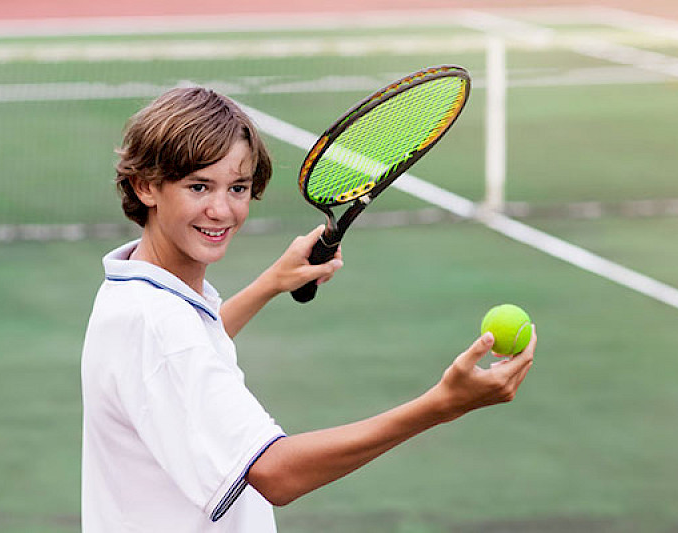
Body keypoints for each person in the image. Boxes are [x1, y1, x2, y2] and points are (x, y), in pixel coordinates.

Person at [81, 87, 536, 532]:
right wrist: (441, 405)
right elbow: (277, 474)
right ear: (146, 186)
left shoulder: (136, 290)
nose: (221, 209)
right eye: (199, 187)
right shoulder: (161, 328)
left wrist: (269, 284)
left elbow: (189, 352)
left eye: (237, 187)